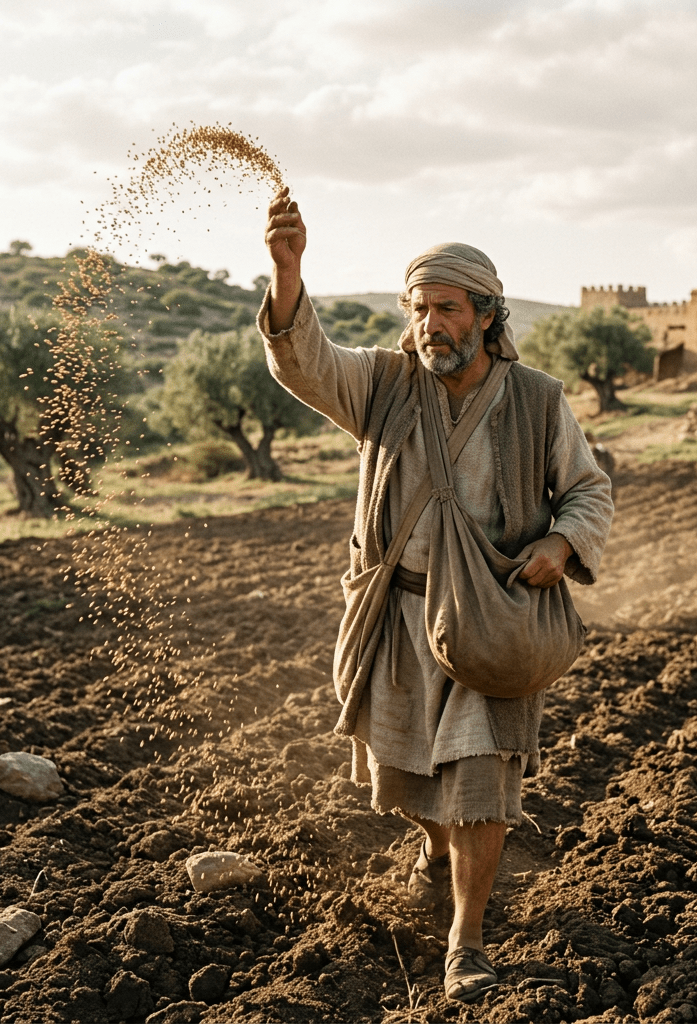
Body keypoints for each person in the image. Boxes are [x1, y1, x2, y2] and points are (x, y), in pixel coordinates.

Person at [260, 188, 613, 1003]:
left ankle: (466, 942)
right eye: (418, 308)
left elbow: (588, 492)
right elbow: (304, 361)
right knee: (402, 772)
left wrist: (561, 544)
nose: (430, 324)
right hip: (396, 615)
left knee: (481, 782)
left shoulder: (538, 401)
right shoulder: (381, 385)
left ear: (487, 315)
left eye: (447, 309)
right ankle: (435, 841)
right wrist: (289, 272)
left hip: (492, 620)